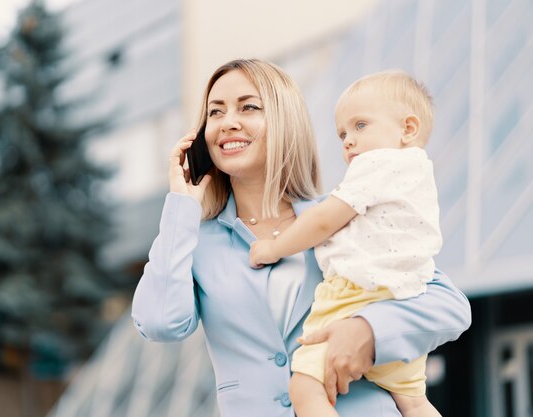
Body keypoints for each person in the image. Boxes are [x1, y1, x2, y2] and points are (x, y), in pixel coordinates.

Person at [132, 59, 471, 417]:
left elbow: (450, 307)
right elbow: (159, 323)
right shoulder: (194, 241)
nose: (228, 122)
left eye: (249, 107)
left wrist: (367, 331)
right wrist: (180, 209)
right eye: (215, 112)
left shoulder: (340, 213)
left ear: (284, 121)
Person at [249, 70, 444, 417]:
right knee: (414, 401)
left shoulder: (376, 165)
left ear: (408, 129)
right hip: (404, 300)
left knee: (304, 387)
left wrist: (273, 248)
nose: (348, 141)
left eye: (360, 126)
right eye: (342, 134)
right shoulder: (418, 174)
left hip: (353, 297)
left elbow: (324, 220)